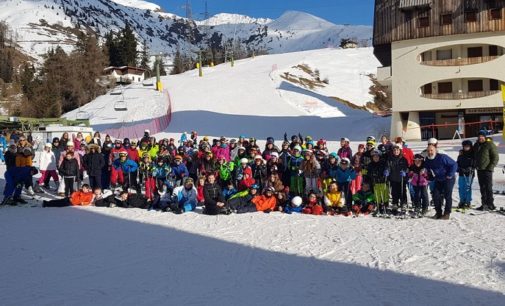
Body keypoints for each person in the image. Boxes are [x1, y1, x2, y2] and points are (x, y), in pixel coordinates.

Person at [424, 144, 457, 220]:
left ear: (435, 150)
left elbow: (454, 164)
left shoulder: (442, 157)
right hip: (438, 179)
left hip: (448, 178)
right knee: (435, 195)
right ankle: (438, 213)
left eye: (431, 150)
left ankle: (447, 213)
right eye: (428, 151)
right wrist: (429, 176)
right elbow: (427, 168)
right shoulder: (428, 159)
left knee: (447, 196)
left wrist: (450, 174)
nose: (430, 152)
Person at [473, 131, 499, 211]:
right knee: (482, 188)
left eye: (482, 136)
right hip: (479, 169)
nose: (480, 137)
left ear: (485, 137)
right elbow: (473, 154)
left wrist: (490, 167)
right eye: (479, 136)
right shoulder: (476, 145)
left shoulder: (490, 144)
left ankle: (490, 204)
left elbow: (495, 157)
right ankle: (484, 204)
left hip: (487, 170)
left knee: (488, 187)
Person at [387, 144, 409, 215]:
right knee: (394, 193)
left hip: (401, 179)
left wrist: (405, 171)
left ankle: (403, 204)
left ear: (400, 151)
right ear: (392, 151)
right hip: (393, 179)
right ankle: (395, 204)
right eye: (394, 150)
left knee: (402, 192)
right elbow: (388, 167)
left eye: (397, 150)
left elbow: (407, 168)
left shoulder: (403, 159)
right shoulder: (390, 159)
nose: (396, 151)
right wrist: (387, 170)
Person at [366, 150, 389, 215]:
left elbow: (388, 168)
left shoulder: (383, 163)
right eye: (374, 157)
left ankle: (385, 207)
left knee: (384, 194)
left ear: (379, 157)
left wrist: (387, 171)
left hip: (383, 181)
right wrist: (371, 175)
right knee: (377, 195)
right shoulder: (370, 164)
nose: (375, 158)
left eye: (377, 157)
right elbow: (368, 173)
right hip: (375, 182)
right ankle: (378, 207)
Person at [457, 140, 475, 210]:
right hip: (462, 173)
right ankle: (462, 201)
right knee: (461, 187)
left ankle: (468, 201)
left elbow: (475, 163)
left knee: (467, 188)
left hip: (469, 174)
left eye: (468, 146)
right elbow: (457, 163)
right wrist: (459, 168)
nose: (466, 148)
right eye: (465, 146)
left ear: (470, 147)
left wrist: (471, 168)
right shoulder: (461, 155)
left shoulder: (473, 154)